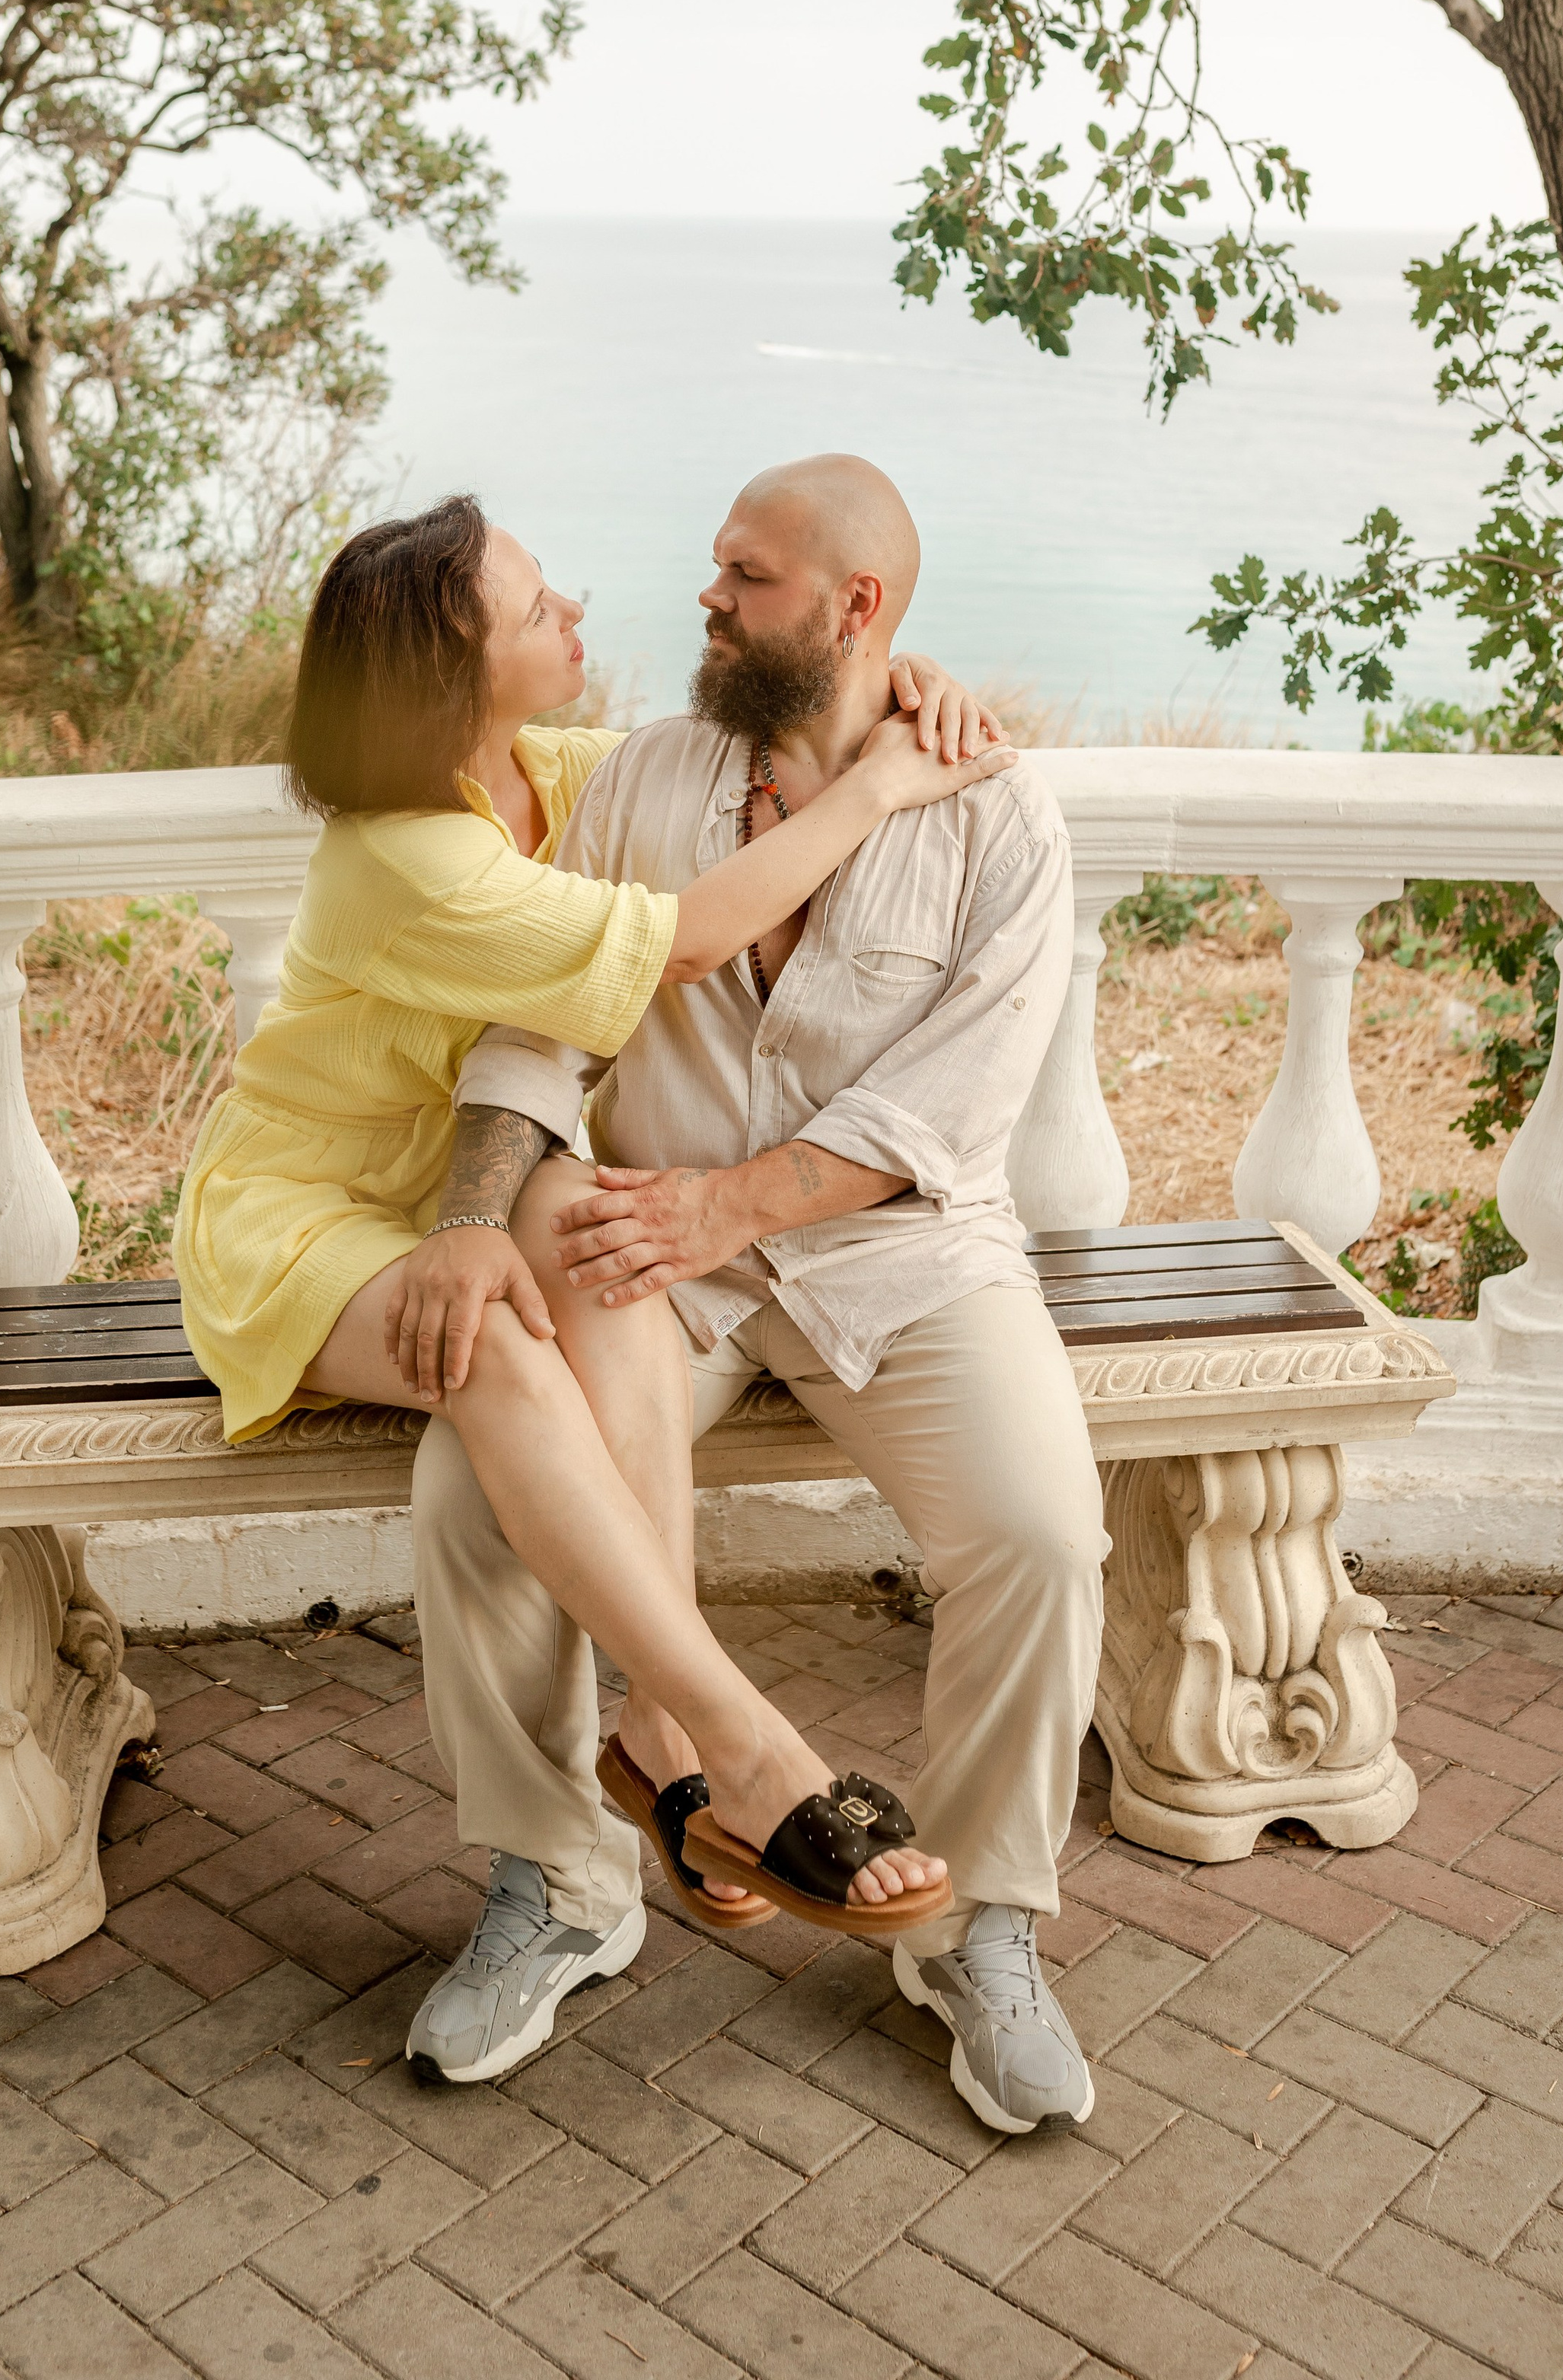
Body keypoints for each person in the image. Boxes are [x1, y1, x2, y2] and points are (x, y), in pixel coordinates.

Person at [174, 493, 1018, 2071]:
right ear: (451, 672)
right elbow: (685, 937)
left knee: (605, 1241)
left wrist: (900, 680)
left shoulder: (544, 772)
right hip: (310, 1209)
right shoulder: (401, 854)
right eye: (534, 606)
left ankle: (652, 1740)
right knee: (498, 1350)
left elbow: (766, 726)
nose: (574, 610)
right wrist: (887, 784)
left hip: (469, 1186)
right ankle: (732, 1743)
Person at [397, 454, 1108, 2136]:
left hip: (905, 1260)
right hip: (658, 1264)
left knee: (1039, 1532)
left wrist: (727, 1204)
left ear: (856, 609)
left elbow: (948, 1112)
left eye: (747, 576)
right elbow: (540, 1029)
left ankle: (978, 1924)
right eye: (716, 567)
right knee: (468, 1499)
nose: (707, 598)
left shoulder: (998, 815)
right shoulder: (647, 778)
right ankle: (561, 1882)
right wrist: (476, 1217)